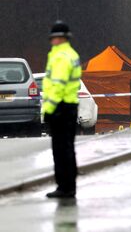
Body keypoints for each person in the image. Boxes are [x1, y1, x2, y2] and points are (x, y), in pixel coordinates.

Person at [42, 21, 82, 198]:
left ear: (58, 38)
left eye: (53, 38)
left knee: (60, 150)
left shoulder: (60, 57)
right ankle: (69, 186)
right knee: (68, 149)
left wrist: (49, 110)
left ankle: (64, 187)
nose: (52, 41)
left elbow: (57, 86)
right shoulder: (71, 54)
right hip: (70, 107)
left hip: (60, 108)